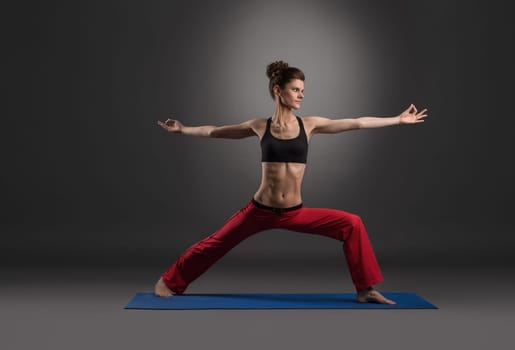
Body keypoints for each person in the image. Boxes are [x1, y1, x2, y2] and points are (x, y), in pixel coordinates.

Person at [155, 60, 427, 304]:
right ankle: (169, 282)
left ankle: (365, 289)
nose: (301, 95)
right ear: (278, 90)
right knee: (214, 243)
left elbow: (356, 122)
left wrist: (398, 120)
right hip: (259, 211)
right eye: (296, 89)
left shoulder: (309, 125)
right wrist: (183, 129)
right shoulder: (259, 126)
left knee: (352, 224)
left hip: (295, 213)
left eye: (302, 90)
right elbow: (214, 131)